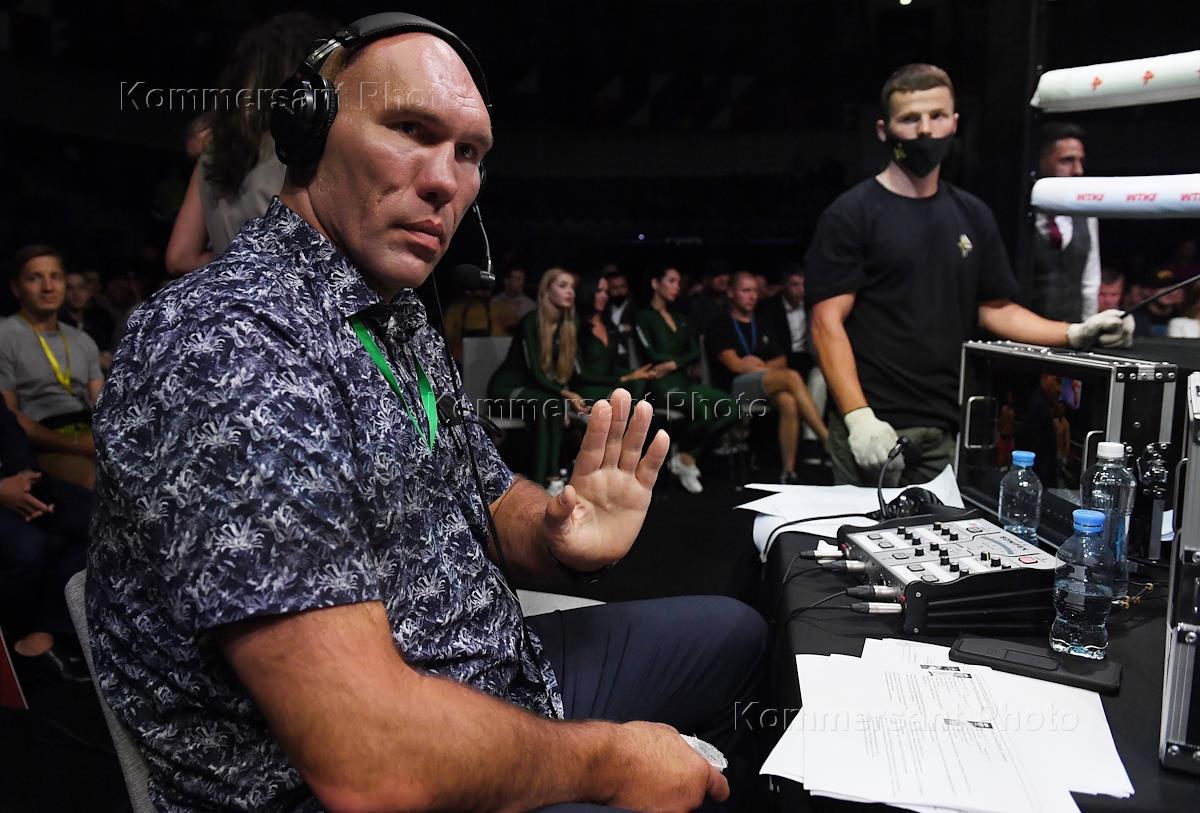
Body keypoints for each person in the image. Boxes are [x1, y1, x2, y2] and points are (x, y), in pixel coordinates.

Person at [89, 16, 764, 813]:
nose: (447, 181)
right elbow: (367, 758)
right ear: (309, 132)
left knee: (741, 633)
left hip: (490, 676)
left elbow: (488, 496)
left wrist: (559, 533)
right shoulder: (231, 343)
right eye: (411, 129)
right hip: (368, 768)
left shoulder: (395, 310)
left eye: (469, 151)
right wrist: (612, 760)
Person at [807, 63, 1132, 487]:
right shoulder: (852, 214)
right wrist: (858, 417)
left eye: (937, 116)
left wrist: (1074, 333)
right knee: (862, 530)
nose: (926, 130)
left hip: (945, 423)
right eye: (910, 118)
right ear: (884, 130)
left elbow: (995, 307)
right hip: (875, 421)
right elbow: (825, 323)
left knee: (941, 528)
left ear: (955, 123)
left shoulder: (971, 214)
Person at [165, 12, 329, 274]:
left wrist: (237, 265)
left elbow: (180, 256)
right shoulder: (303, 148)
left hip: (229, 294)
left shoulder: (213, 149)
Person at [0, 397, 92, 685]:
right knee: (26, 547)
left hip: (17, 479)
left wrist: (26, 477)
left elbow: (7, 426)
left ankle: (60, 626)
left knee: (99, 519)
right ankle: (28, 637)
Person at [707, 272, 829, 484]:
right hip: (733, 388)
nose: (752, 296)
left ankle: (788, 472)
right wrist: (762, 367)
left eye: (755, 290)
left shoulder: (762, 322)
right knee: (791, 377)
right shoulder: (721, 324)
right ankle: (825, 438)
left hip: (763, 383)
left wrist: (758, 365)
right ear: (731, 293)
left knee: (788, 400)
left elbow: (781, 359)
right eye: (746, 290)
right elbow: (736, 366)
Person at [0, 245, 104, 490]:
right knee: (97, 480)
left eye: (55, 277)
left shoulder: (82, 340)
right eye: (35, 278)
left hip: (88, 434)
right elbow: (8, 416)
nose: (48, 287)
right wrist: (75, 445)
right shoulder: (5, 335)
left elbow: (102, 404)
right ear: (16, 288)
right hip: (41, 444)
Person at [635, 266, 740, 493]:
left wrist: (674, 364)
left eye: (678, 282)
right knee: (703, 411)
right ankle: (681, 454)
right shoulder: (643, 317)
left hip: (684, 382)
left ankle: (686, 455)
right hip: (661, 386)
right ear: (655, 283)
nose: (677, 287)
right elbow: (652, 354)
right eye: (671, 281)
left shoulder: (680, 318)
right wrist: (678, 361)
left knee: (732, 407)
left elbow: (695, 352)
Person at [489, 267, 587, 485]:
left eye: (572, 287)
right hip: (507, 389)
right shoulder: (530, 322)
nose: (570, 291)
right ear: (546, 291)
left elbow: (571, 372)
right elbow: (535, 373)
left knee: (550, 404)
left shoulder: (570, 324)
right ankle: (542, 482)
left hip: (541, 392)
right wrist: (567, 395)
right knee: (547, 404)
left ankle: (553, 479)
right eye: (563, 286)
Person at [1029, 122, 1101, 322]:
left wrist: (1089, 328)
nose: (1078, 170)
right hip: (1024, 331)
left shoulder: (1086, 214)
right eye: (1067, 161)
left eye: (1080, 161)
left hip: (1072, 328)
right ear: (1041, 160)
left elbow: (1090, 282)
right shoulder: (1018, 214)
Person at [573, 274, 655, 404]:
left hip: (610, 385)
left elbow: (612, 368)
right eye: (598, 291)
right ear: (587, 292)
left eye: (606, 292)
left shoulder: (609, 327)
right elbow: (580, 376)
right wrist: (623, 378)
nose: (604, 296)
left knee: (640, 385)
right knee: (623, 396)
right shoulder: (576, 327)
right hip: (588, 389)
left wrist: (635, 373)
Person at [59, 269, 115, 374]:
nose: (76, 293)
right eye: (69, 288)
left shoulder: (100, 320)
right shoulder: (57, 322)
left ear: (88, 292)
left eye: (81, 287)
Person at [442, 279, 505, 363]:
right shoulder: (455, 310)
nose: (484, 292)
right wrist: (453, 352)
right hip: (463, 361)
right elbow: (444, 337)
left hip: (494, 360)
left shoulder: (500, 309)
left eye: (486, 289)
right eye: (480, 289)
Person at [1129, 267, 1185, 337]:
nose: (1169, 291)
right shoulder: (1137, 318)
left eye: (1173, 286)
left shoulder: (1182, 315)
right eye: (1161, 286)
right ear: (1147, 290)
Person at [602, 265, 639, 367]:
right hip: (610, 361)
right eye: (614, 288)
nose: (619, 291)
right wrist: (621, 328)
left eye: (623, 286)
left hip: (631, 360)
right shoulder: (604, 309)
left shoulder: (635, 309)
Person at [491, 265, 536, 333]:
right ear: (506, 281)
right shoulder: (493, 302)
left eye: (523, 279)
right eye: (518, 279)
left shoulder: (531, 306)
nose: (522, 283)